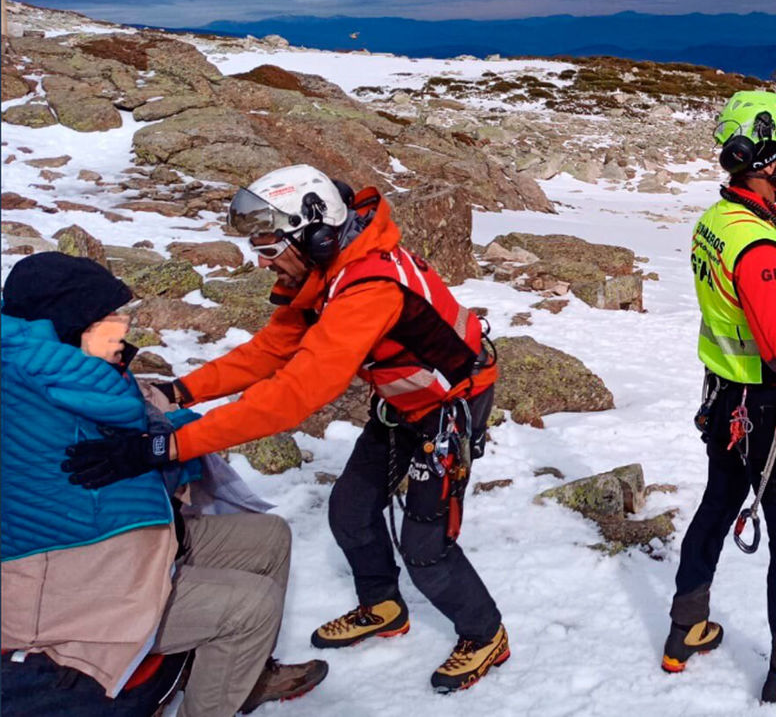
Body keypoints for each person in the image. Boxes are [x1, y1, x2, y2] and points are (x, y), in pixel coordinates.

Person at [62, 164, 508, 694]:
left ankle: (485, 634)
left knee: (425, 545)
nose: (261, 259)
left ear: (316, 235)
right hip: (403, 404)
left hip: (447, 411)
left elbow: (294, 395)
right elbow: (272, 351)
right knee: (350, 511)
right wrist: (183, 392)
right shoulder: (323, 275)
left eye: (271, 248)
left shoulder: (368, 288)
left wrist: (171, 444)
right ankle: (383, 606)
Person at [1, 252, 327, 716]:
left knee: (269, 538)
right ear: (72, 322)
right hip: (65, 585)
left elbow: (144, 432)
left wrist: (168, 431)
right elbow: (145, 436)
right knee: (251, 606)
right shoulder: (48, 381)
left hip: (111, 546)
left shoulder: (56, 370)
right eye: (107, 319)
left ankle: (243, 673)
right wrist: (169, 439)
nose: (121, 330)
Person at [663, 91, 776, 705]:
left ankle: (686, 629)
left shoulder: (718, 222)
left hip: (725, 400)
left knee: (716, 505)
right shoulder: (761, 247)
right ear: (765, 161)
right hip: (769, 412)